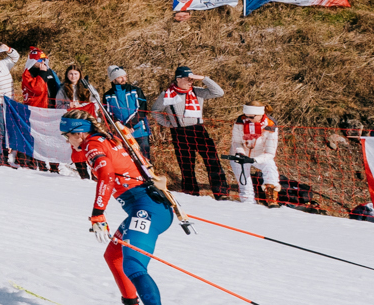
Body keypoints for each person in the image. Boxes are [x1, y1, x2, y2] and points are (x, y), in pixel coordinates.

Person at [63, 110, 180, 305]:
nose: (67, 141)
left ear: (79, 133)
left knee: (134, 265)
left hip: (147, 210)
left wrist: (98, 213)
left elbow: (106, 176)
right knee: (114, 255)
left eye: (68, 136)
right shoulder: (102, 139)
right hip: (148, 207)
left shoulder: (94, 144)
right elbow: (79, 157)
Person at [153, 66, 230, 198]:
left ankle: (221, 192)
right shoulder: (166, 94)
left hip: (198, 130)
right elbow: (155, 111)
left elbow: (219, 92)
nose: (190, 82)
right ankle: (191, 194)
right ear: (178, 79)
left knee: (212, 160)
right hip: (180, 132)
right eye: (187, 79)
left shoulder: (197, 91)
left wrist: (204, 78)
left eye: (192, 79)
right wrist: (169, 123)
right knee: (186, 165)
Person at [229, 104, 281, 206]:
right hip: (241, 154)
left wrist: (254, 160)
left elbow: (270, 152)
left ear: (260, 114)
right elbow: (236, 141)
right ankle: (248, 205)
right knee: (245, 185)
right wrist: (241, 153)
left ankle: (271, 199)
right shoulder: (240, 121)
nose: (248, 119)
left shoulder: (270, 124)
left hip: (260, 154)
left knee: (270, 168)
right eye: (246, 116)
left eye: (251, 117)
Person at [103, 66, 151, 159]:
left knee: (145, 158)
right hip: (121, 133)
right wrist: (122, 127)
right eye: (120, 77)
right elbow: (108, 114)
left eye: (124, 76)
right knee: (129, 159)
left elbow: (142, 110)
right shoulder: (108, 95)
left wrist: (129, 125)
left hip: (139, 130)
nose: (123, 79)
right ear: (113, 79)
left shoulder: (135, 90)